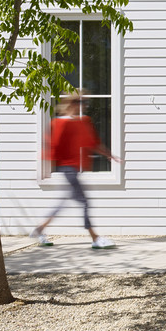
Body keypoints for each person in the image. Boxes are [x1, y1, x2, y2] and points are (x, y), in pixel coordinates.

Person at [30, 92, 120, 249]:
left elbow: (92, 143)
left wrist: (109, 155)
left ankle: (39, 229)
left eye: (84, 102)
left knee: (63, 202)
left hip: (74, 169)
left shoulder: (81, 122)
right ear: (71, 104)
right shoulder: (60, 123)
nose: (83, 105)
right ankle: (95, 238)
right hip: (68, 169)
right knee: (84, 202)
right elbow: (52, 146)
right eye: (80, 101)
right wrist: (44, 165)